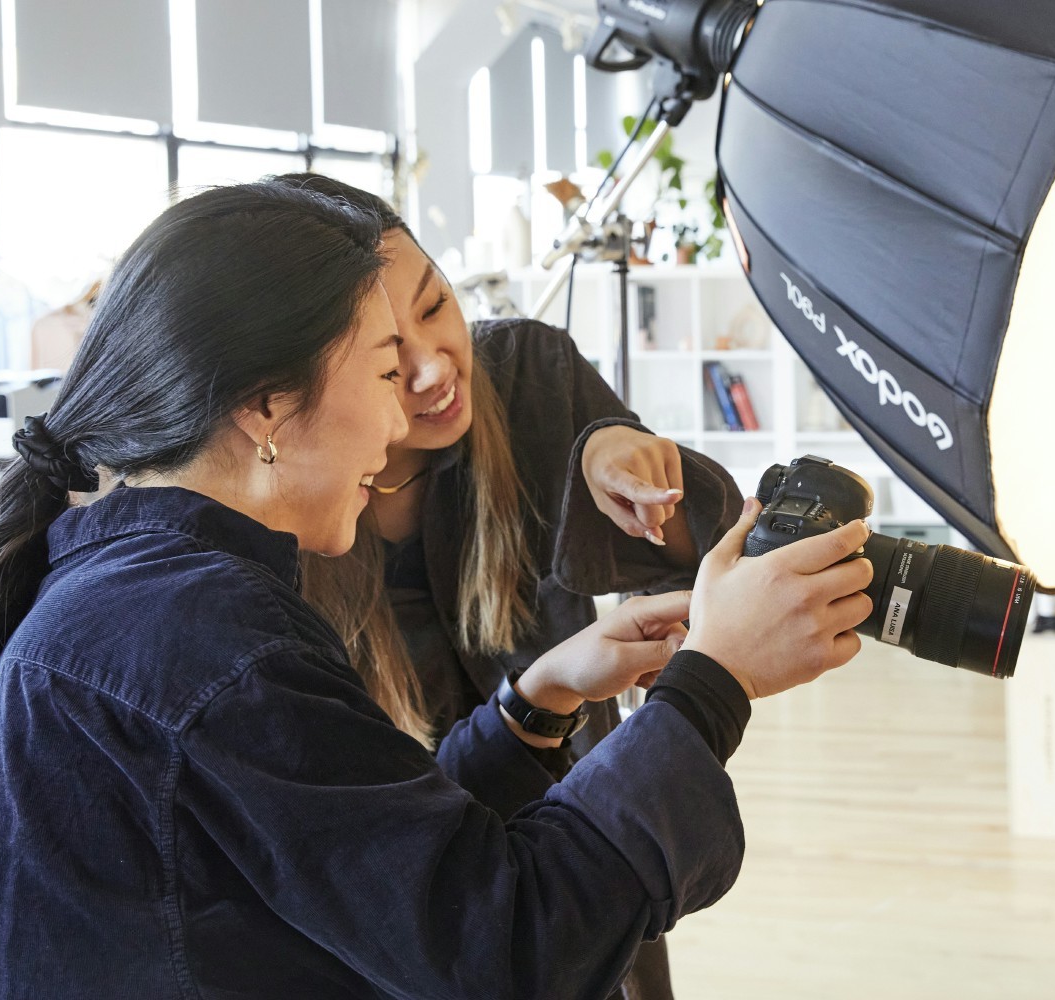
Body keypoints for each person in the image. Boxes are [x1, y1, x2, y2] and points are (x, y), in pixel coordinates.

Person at [0, 182, 875, 999]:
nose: (404, 423)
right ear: (266, 403)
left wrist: (533, 701)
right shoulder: (206, 637)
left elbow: (369, 854)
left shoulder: (135, 592)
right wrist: (709, 686)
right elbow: (503, 944)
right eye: (385, 370)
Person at [275, 173, 740, 998]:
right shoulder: (296, 515)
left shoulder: (525, 371)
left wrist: (609, 453)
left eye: (434, 305)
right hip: (407, 872)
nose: (431, 368)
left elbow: (687, 549)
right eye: (386, 359)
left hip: (572, 818)